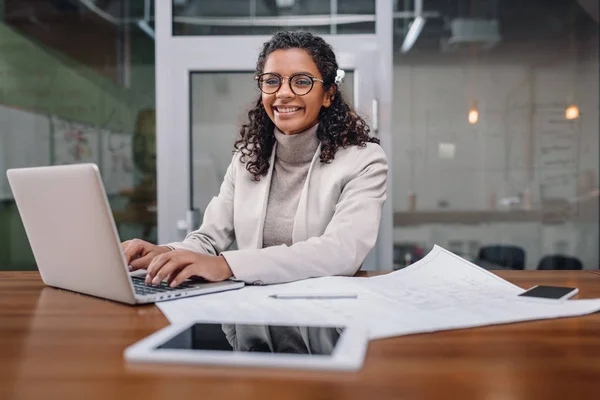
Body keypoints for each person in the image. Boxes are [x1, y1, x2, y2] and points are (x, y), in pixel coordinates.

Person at [122, 30, 388, 287]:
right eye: (272, 80)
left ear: (328, 94)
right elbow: (207, 239)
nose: (283, 92)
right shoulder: (247, 158)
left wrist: (228, 266)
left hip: (326, 321)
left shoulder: (363, 160)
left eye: (302, 81)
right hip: (254, 320)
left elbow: (341, 252)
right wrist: (164, 252)